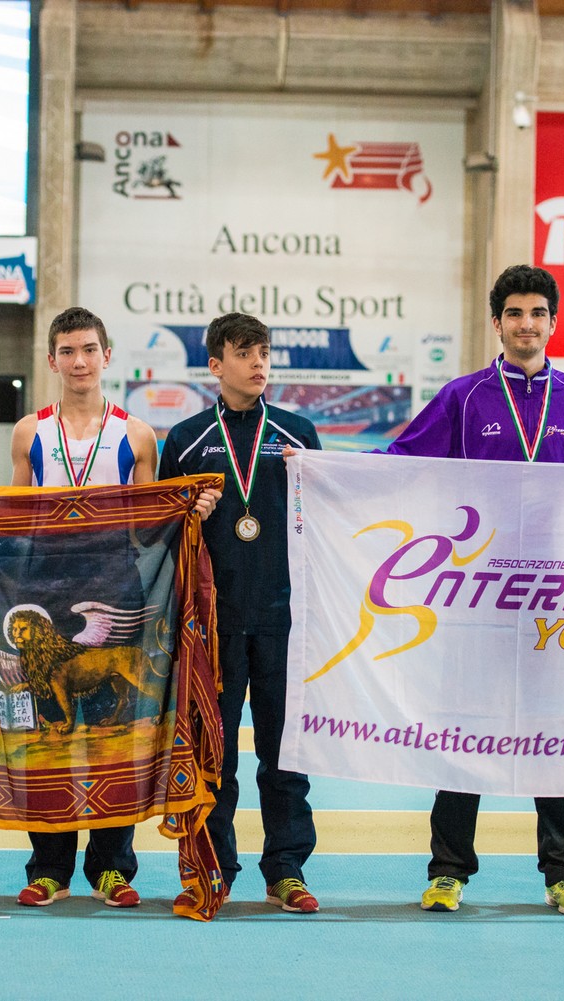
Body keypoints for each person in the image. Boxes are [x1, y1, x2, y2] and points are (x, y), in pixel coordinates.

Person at [382, 264, 564, 917]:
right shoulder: (464, 397)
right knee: (465, 731)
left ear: (553, 323)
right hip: (477, 594)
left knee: (557, 733)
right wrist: (321, 470)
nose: (526, 324)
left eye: (537, 313)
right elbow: (398, 462)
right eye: (515, 314)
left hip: (555, 594)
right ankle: (448, 871)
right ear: (497, 323)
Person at [0, 306, 217, 909]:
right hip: (44, 590)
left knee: (117, 725)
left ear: (106, 356)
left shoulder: (137, 435)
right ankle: (49, 867)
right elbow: (10, 519)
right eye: (67, 351)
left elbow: (151, 524)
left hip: (116, 588)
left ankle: (112, 866)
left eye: (89, 349)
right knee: (49, 728)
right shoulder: (29, 433)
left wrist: (189, 512)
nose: (79, 361)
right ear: (52, 360)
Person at [156, 312, 325, 914]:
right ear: (215, 364)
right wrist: (188, 516)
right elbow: (162, 535)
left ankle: (286, 871)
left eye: (264, 353)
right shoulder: (186, 440)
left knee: (285, 757)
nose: (259, 363)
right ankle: (214, 870)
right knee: (215, 758)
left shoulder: (299, 434)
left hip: (285, 621)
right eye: (245, 353)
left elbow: (326, 522)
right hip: (212, 625)